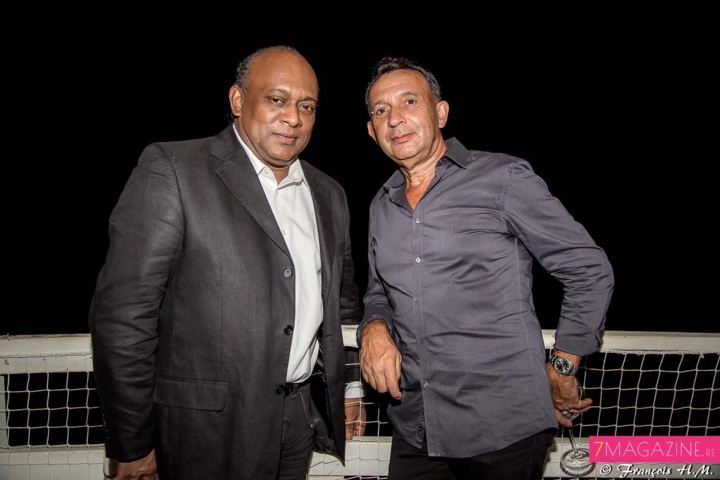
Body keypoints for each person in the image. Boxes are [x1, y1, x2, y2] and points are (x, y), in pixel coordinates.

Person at [89, 45, 365, 480]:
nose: (293, 117)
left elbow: (343, 307)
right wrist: (132, 442)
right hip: (203, 433)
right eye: (276, 99)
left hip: (298, 422)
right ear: (238, 100)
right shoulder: (174, 169)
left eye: (306, 106)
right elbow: (124, 317)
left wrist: (348, 387)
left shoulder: (329, 194)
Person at [357, 56, 614, 480]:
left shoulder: (502, 177)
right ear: (372, 131)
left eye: (409, 101)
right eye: (381, 110)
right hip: (416, 426)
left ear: (440, 112)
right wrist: (374, 328)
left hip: (502, 429)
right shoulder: (381, 205)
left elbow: (588, 269)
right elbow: (378, 292)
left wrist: (564, 365)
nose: (395, 118)